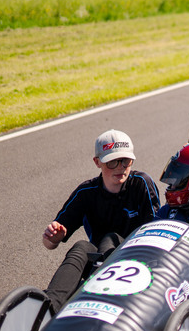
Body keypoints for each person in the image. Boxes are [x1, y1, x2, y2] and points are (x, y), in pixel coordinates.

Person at [42, 130, 160, 313]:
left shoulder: (141, 183)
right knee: (81, 247)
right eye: (113, 162)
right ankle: (47, 309)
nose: (121, 167)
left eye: (125, 161)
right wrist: (55, 237)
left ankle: (98, 302)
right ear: (97, 162)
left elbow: (155, 231)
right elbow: (49, 244)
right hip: (99, 261)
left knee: (110, 238)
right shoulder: (86, 192)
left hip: (137, 258)